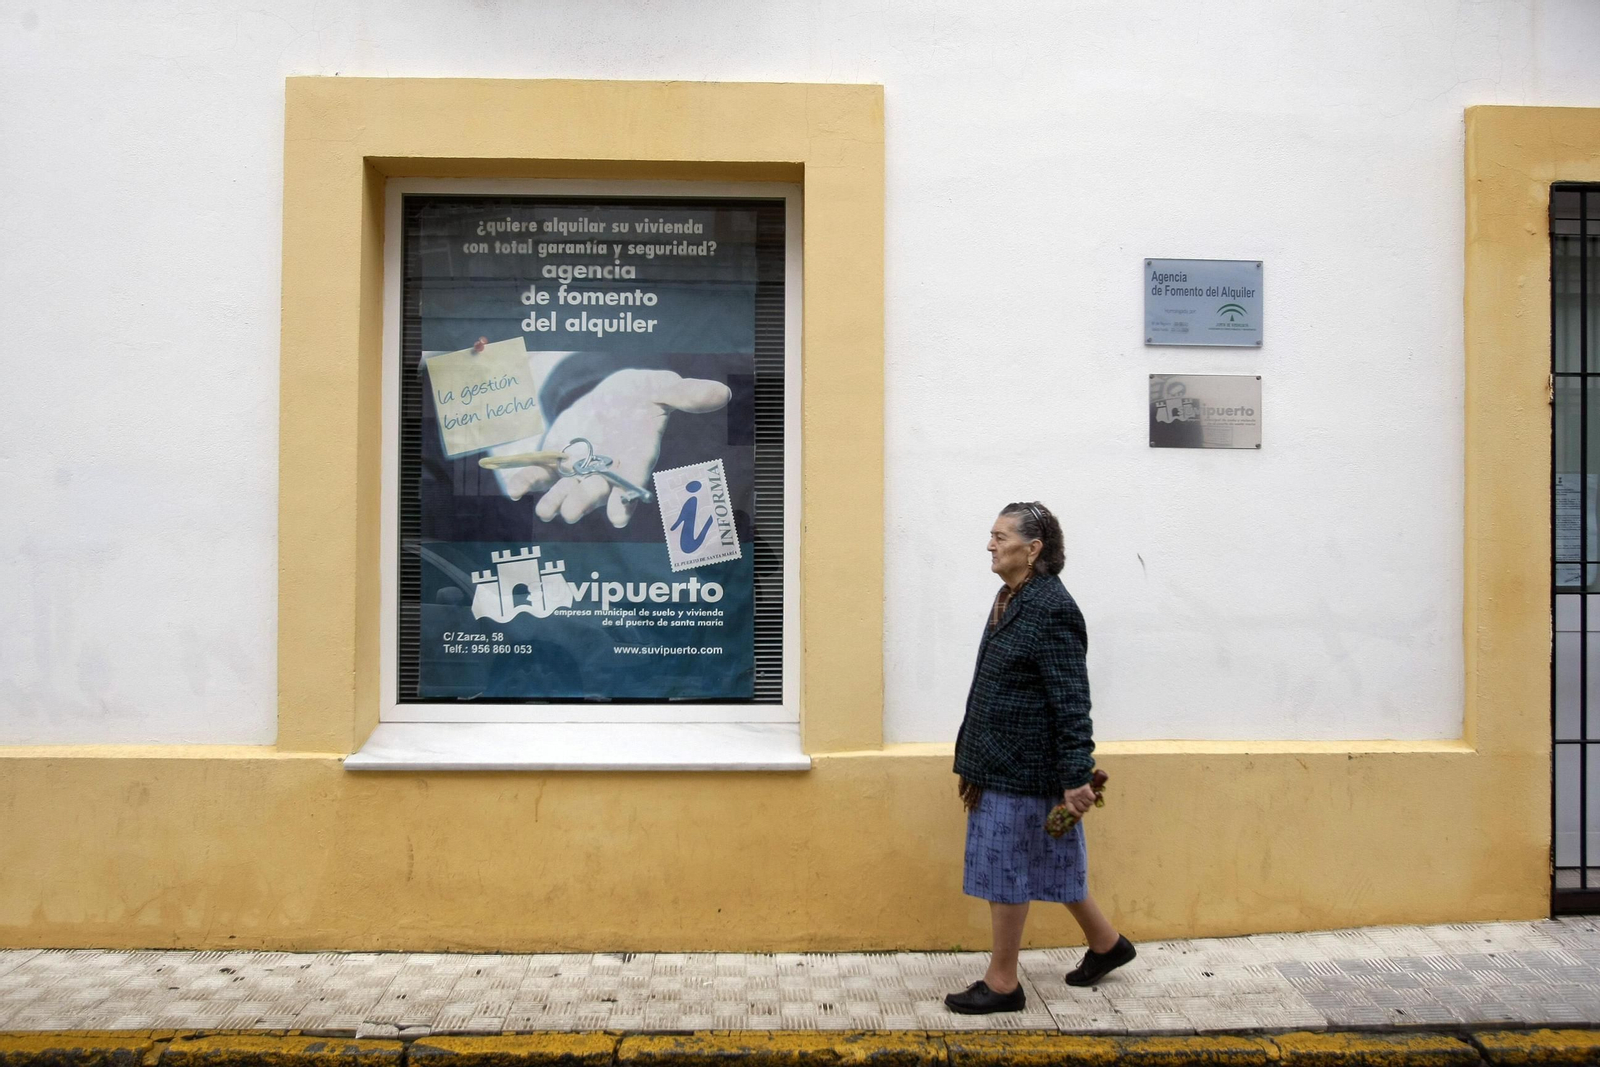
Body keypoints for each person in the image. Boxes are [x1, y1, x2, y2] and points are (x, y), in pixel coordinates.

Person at [944, 501, 1136, 1015]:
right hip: (1001, 761)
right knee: (1054, 861)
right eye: (991, 534)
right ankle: (1107, 944)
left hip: (1022, 771)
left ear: (1033, 550)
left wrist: (1077, 778)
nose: (990, 544)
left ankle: (1003, 982)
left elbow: (1072, 701)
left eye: (1000, 536)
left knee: (1007, 870)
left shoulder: (1052, 608)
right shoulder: (1009, 597)